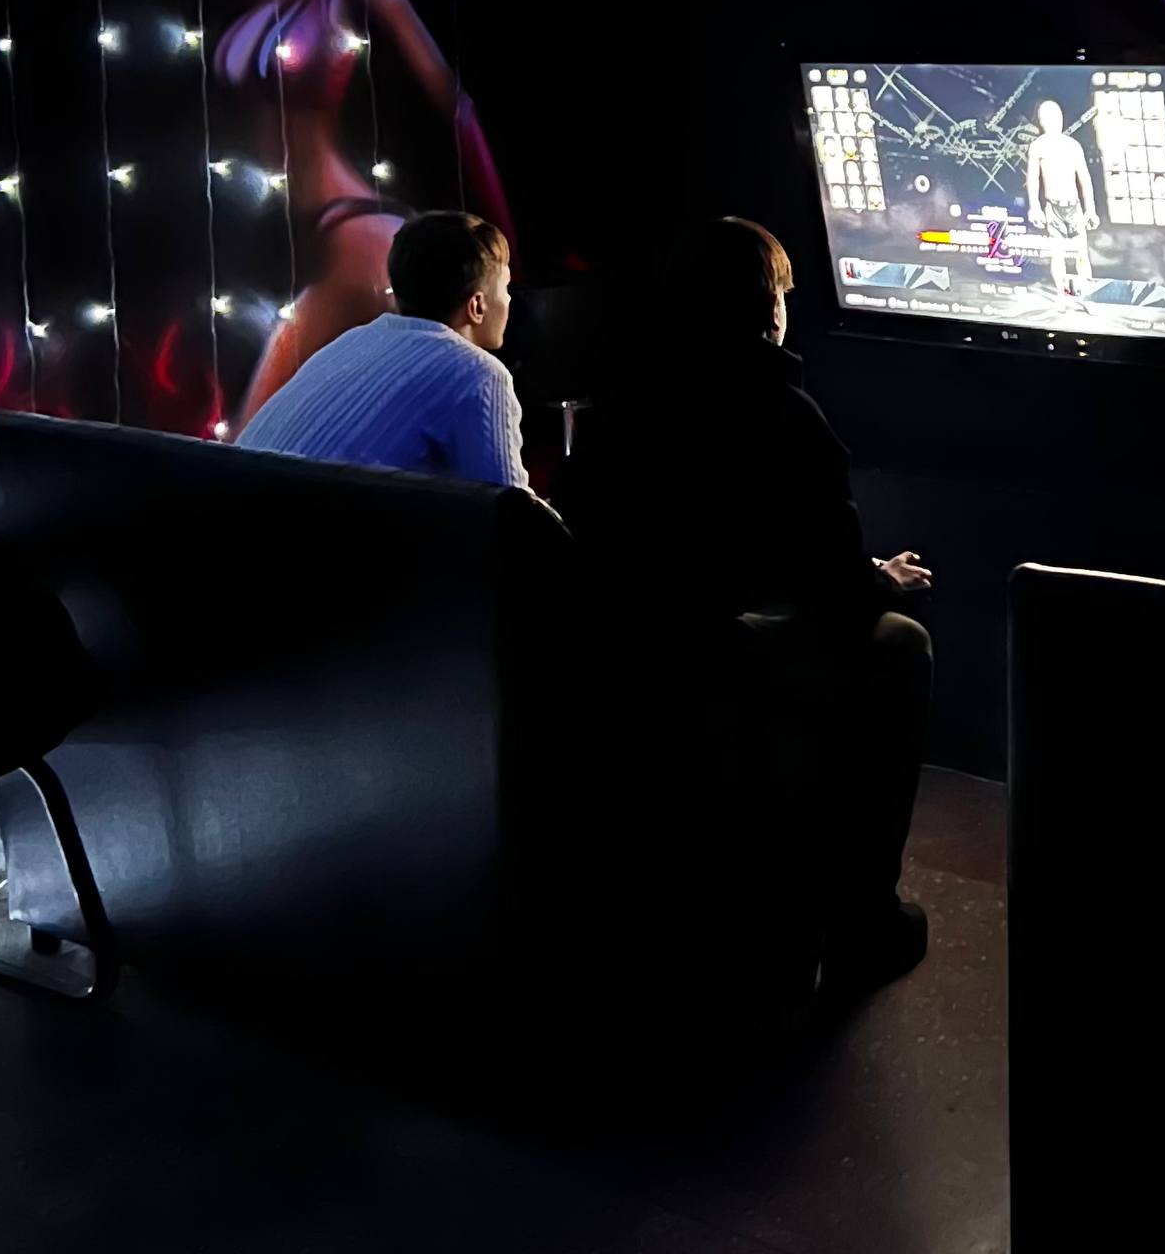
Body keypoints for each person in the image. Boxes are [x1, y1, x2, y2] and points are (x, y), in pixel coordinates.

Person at [554, 217, 936, 990]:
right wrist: (879, 580)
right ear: (769, 309)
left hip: (619, 650)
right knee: (900, 643)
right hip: (712, 653)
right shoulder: (784, 413)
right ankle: (865, 918)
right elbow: (831, 584)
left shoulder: (624, 397)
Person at [188, 0, 514, 430]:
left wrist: (507, 246)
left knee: (257, 447)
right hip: (316, 242)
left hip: (356, 238)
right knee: (306, 447)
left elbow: (456, 105)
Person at [236, 211, 524, 485]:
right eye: (505, 288)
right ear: (477, 306)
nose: (510, 300)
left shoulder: (351, 342)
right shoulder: (479, 374)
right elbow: (511, 510)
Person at [1025, 98, 1098, 298]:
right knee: (1058, 255)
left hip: (1073, 207)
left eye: (1055, 116)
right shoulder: (1038, 146)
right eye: (1047, 117)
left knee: (1082, 254)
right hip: (1053, 208)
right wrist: (1035, 207)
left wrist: (1090, 209)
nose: (1053, 121)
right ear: (1042, 121)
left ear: (1061, 118)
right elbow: (1033, 178)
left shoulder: (1072, 146)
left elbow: (1085, 179)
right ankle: (1062, 296)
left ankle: (1086, 296)